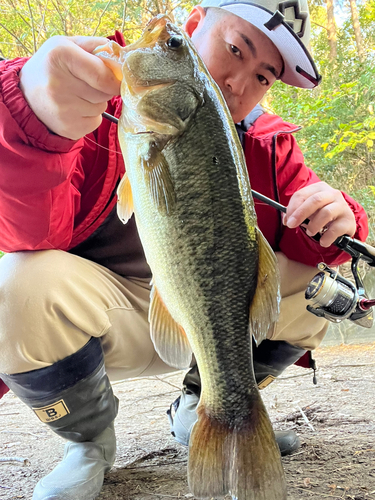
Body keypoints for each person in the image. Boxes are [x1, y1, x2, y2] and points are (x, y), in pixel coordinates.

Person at [0, 0, 368, 498]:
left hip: (208, 325)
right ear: (195, 26)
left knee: (315, 281)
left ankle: (208, 407)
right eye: (235, 48)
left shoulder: (270, 144)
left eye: (264, 76)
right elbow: (25, 232)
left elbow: (314, 240)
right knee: (18, 280)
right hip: (111, 324)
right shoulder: (84, 98)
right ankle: (87, 443)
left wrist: (341, 212)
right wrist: (32, 120)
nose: (239, 82)